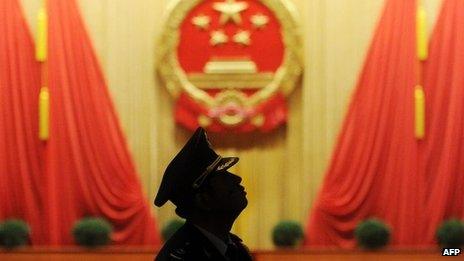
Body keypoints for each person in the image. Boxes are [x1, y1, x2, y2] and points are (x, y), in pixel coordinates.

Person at [154, 127, 252, 261]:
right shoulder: (183, 257)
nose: (236, 179)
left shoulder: (233, 248)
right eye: (223, 176)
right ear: (203, 200)